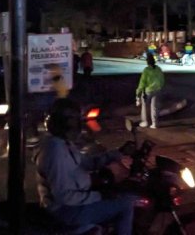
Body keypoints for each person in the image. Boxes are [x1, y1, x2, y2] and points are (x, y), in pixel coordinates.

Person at [34, 98, 136, 234]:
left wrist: (117, 153)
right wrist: (100, 196)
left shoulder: (63, 143)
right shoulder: (55, 150)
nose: (78, 124)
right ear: (66, 123)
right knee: (127, 203)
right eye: (74, 119)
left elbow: (85, 162)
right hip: (67, 211)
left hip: (73, 203)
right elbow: (64, 197)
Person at [135, 53, 164, 129]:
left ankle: (145, 122)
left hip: (148, 91)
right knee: (154, 107)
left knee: (145, 106)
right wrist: (160, 87)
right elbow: (162, 80)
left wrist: (138, 94)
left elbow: (142, 83)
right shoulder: (158, 69)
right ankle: (154, 123)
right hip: (157, 90)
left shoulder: (146, 70)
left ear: (147, 62)